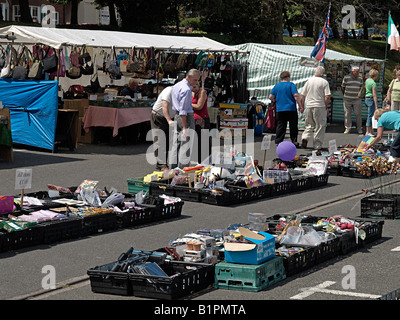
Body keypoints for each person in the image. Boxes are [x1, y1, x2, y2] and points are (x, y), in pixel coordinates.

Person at [170, 69, 201, 168]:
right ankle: (182, 172)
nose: (196, 82)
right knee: (186, 146)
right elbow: (183, 111)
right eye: (195, 80)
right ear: (189, 77)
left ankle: (173, 170)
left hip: (177, 116)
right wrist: (184, 128)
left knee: (176, 144)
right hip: (185, 117)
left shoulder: (176, 86)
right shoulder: (186, 89)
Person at [269, 71, 304, 146]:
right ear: (288, 77)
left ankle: (279, 141)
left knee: (280, 126)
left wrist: (275, 101)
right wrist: (300, 106)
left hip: (280, 109)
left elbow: (270, 97)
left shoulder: (277, 86)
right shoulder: (291, 85)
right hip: (291, 108)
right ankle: (294, 141)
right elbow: (296, 95)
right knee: (293, 126)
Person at [300, 66, 331, 150]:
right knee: (320, 125)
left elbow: (302, 95)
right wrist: (325, 105)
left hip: (309, 105)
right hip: (319, 105)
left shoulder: (309, 81)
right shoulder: (324, 82)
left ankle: (305, 137)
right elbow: (327, 96)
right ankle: (317, 145)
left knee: (309, 124)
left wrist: (301, 106)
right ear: (322, 73)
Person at [150, 86, 174, 170]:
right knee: (160, 140)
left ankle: (163, 163)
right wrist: (169, 120)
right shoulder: (169, 90)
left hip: (169, 117)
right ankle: (161, 165)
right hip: (159, 116)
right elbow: (164, 106)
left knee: (167, 141)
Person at [192, 81, 210, 163]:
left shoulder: (202, 92)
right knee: (197, 141)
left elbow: (199, 106)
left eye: (195, 87)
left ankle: (206, 161)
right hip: (193, 119)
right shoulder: (191, 93)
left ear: (198, 86)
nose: (194, 89)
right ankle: (199, 161)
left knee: (203, 141)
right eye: (192, 87)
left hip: (202, 119)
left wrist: (187, 104)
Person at [341, 66, 363, 134]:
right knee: (347, 114)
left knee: (358, 114)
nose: (357, 73)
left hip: (357, 99)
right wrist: (345, 94)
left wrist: (360, 94)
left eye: (358, 71)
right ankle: (347, 128)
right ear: (352, 71)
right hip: (347, 99)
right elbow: (343, 87)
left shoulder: (360, 78)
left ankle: (359, 128)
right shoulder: (346, 77)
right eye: (356, 71)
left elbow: (361, 87)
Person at [364, 68, 379, 135]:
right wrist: (376, 105)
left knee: (370, 115)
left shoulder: (367, 80)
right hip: (371, 99)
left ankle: (370, 130)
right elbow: (374, 94)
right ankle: (367, 131)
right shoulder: (373, 83)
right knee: (370, 115)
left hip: (366, 98)